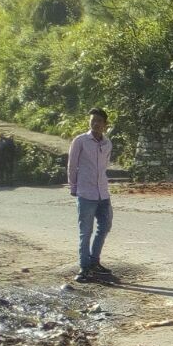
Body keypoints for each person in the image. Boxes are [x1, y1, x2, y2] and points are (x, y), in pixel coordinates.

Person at [68, 108, 115, 283]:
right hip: (85, 193)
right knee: (85, 231)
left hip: (103, 193)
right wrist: (73, 186)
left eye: (99, 121)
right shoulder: (80, 141)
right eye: (92, 120)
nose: (95, 123)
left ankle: (95, 262)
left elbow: (105, 166)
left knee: (105, 226)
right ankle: (84, 268)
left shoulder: (107, 143)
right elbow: (72, 165)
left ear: (105, 124)